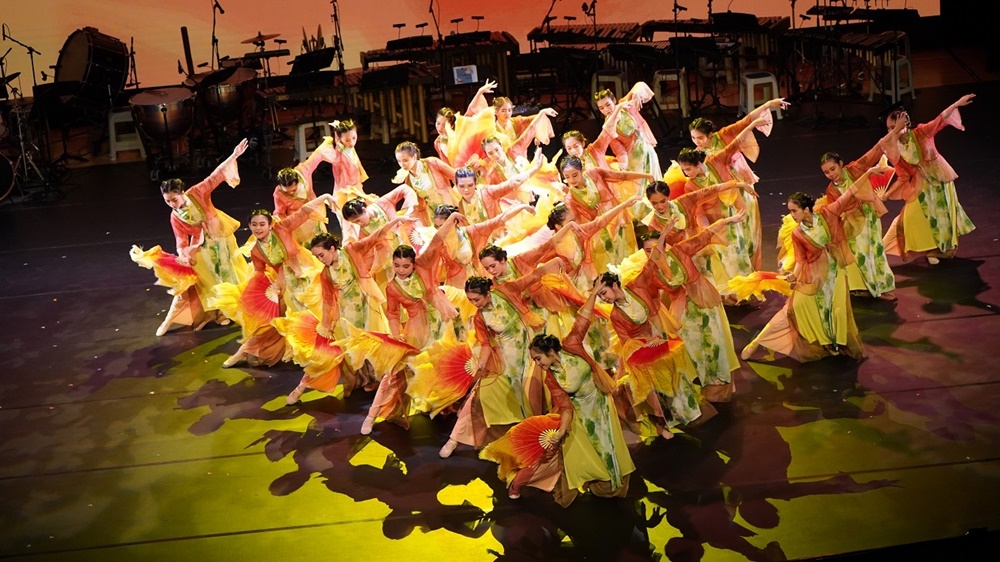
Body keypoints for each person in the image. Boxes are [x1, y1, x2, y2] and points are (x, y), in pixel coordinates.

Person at [741, 167, 888, 362]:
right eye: (790, 211)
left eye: (794, 211)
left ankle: (833, 344)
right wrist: (794, 275)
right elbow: (801, 259)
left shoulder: (828, 214)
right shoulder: (797, 233)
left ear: (806, 210)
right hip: (812, 277)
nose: (792, 215)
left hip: (834, 276)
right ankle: (756, 343)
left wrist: (869, 173)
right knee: (793, 309)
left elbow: (851, 192)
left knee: (835, 312)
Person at [280, 216, 417, 404]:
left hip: (367, 308)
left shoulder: (351, 251)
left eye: (321, 255)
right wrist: (326, 323)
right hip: (347, 313)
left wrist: (397, 219)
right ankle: (364, 380)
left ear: (332, 249)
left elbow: (375, 236)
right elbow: (328, 300)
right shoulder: (326, 273)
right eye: (317, 257)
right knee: (351, 348)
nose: (320, 260)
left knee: (373, 342)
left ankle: (379, 380)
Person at [439, 262, 562, 458]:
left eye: (477, 299)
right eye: (470, 300)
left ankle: (531, 445)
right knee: (480, 395)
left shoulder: (507, 291)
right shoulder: (480, 317)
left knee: (535, 399)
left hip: (530, 357)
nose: (474, 303)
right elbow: (486, 344)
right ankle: (453, 440)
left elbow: (533, 275)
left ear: (488, 294)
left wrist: (555, 263)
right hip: (505, 361)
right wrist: (481, 363)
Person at [508, 321, 635, 503]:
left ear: (551, 352)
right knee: (557, 457)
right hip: (580, 415)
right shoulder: (551, 378)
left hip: (602, 407)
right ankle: (518, 483)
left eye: (538, 358)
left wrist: (592, 300)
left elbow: (582, 322)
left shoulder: (571, 346)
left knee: (611, 449)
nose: (537, 363)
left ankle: (612, 485)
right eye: (534, 360)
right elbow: (565, 406)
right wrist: (561, 431)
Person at [215, 194, 336, 368]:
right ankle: (243, 352)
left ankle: (327, 350)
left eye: (262, 224)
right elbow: (259, 273)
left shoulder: (282, 228)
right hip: (288, 284)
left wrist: (324, 197)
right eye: (254, 224)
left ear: (270, 224)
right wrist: (265, 290)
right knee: (280, 322)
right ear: (249, 226)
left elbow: (303, 211)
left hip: (310, 273)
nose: (258, 228)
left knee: (325, 310)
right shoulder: (256, 251)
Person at [149, 138, 251, 336]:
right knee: (207, 278)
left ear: (182, 192)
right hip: (202, 244)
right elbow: (181, 239)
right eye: (167, 201)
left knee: (228, 272)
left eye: (174, 199)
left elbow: (216, 176)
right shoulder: (175, 216)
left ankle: (230, 310)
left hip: (221, 236)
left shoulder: (197, 192)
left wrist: (234, 155)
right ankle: (215, 312)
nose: (171, 204)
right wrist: (183, 254)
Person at [645, 213, 747, 402]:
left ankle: (719, 387)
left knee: (713, 343)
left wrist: (726, 221)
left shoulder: (679, 252)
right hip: (682, 312)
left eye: (655, 247)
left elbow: (704, 236)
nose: (652, 253)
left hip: (703, 303)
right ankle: (696, 387)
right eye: (647, 250)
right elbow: (648, 296)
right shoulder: (649, 271)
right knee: (691, 348)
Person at [879, 94, 976, 265]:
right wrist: (887, 194)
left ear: (906, 123)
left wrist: (956, 104)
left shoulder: (921, 132)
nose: (892, 131)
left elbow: (940, 120)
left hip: (939, 180)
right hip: (921, 185)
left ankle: (937, 251)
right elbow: (902, 175)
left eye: (895, 127)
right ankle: (881, 248)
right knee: (909, 217)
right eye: (889, 128)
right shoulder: (894, 148)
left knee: (943, 217)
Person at [820, 150, 896, 299]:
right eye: (826, 172)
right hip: (852, 224)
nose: (831, 174)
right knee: (859, 255)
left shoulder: (853, 170)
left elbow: (872, 153)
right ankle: (863, 287)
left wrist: (889, 139)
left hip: (869, 217)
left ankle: (884, 287)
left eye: (833, 169)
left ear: (840, 164)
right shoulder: (831, 190)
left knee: (875, 251)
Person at [272, 136, 337, 245]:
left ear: (298, 181)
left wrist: (328, 141)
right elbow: (279, 213)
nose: (291, 193)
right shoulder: (278, 194)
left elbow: (316, 156)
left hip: (313, 214)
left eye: (294, 190)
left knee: (321, 244)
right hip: (297, 222)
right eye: (287, 192)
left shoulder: (304, 171)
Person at [594, 83, 661, 178]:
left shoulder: (625, 106)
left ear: (614, 100)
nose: (606, 110)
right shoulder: (608, 126)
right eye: (601, 108)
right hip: (633, 158)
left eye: (608, 105)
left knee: (655, 179)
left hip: (646, 149)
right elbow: (619, 150)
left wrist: (636, 93)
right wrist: (623, 165)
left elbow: (641, 85)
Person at [393, 141, 457, 226]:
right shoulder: (408, 179)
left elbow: (456, 176)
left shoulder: (432, 163)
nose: (402, 164)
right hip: (433, 214)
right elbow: (417, 205)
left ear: (414, 156)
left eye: (405, 160)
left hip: (449, 206)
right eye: (399, 161)